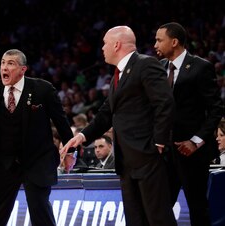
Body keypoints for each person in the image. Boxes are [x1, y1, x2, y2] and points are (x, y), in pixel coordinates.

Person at [61, 26, 177, 226]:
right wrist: (82, 136)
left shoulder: (146, 64)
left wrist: (158, 143)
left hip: (148, 157)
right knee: (136, 220)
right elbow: (106, 114)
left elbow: (165, 103)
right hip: (126, 161)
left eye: (105, 43)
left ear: (117, 44)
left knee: (158, 219)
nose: (103, 48)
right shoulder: (118, 75)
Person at [0, 49, 76, 226]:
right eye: (2, 63)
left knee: (40, 211)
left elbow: (62, 123)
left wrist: (70, 151)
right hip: (4, 163)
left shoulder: (43, 89)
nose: (4, 67)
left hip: (37, 160)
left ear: (23, 69)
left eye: (11, 63)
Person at [154, 22, 223, 226]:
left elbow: (216, 109)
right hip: (165, 152)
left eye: (159, 40)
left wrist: (195, 141)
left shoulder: (201, 67)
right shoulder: (159, 67)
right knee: (160, 207)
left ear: (174, 42)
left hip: (192, 152)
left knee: (197, 208)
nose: (155, 44)